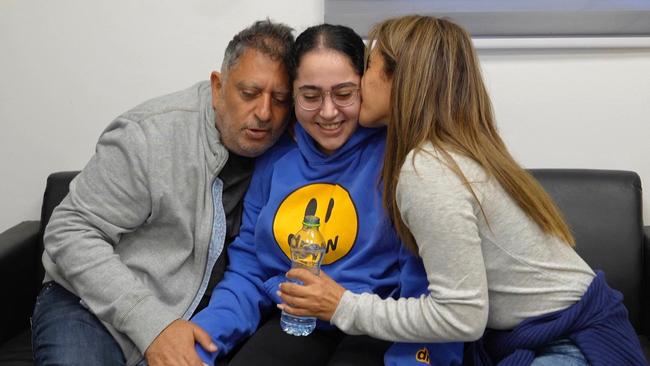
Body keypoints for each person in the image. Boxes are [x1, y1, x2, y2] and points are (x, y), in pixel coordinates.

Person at [278, 15, 648, 366]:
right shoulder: (452, 151)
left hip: (572, 341)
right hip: (550, 332)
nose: (361, 81)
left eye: (370, 66)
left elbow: (461, 317)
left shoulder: (428, 171)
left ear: (399, 79)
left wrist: (341, 304)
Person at [190, 23, 462, 366]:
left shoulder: (401, 159)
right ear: (292, 95)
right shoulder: (275, 158)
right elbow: (249, 271)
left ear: (366, 85)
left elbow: (424, 284)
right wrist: (202, 340)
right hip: (298, 321)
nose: (328, 112)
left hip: (382, 321)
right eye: (311, 95)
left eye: (344, 93)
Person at [31, 19, 294, 366]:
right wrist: (153, 325)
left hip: (195, 319)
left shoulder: (288, 150)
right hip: (89, 306)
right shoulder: (149, 135)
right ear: (218, 87)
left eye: (279, 99)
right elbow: (69, 232)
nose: (264, 113)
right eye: (248, 93)